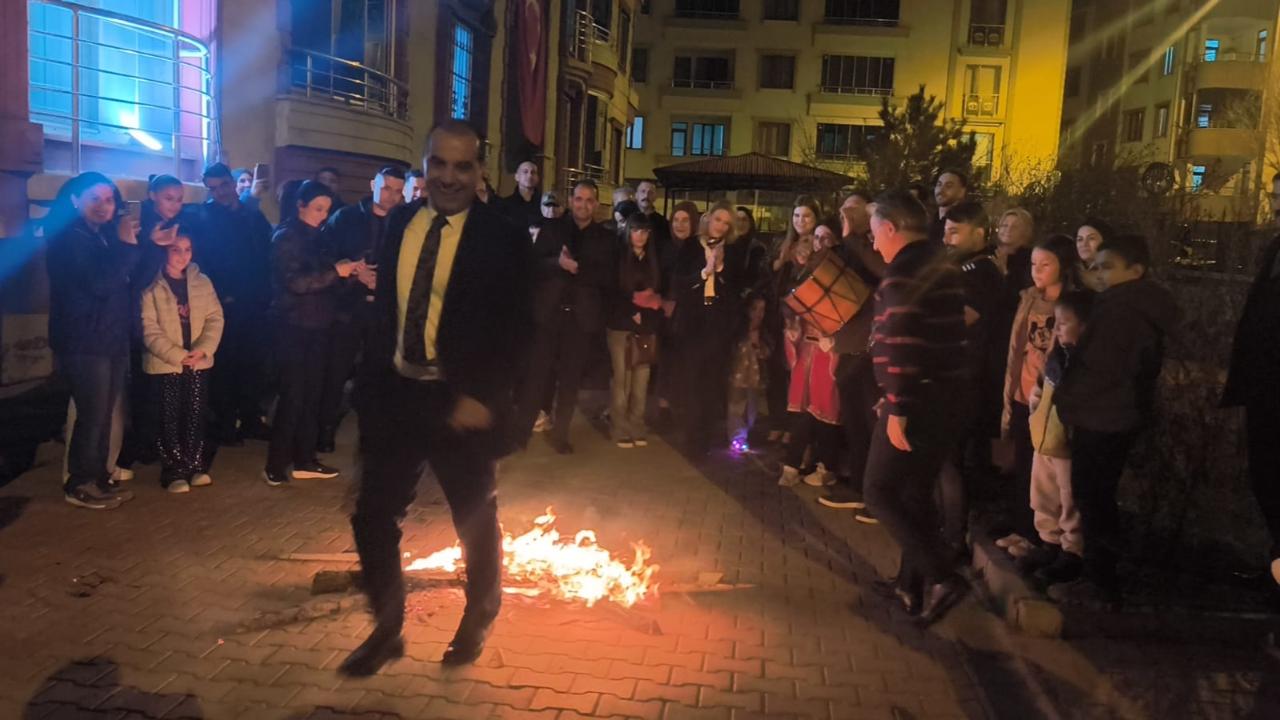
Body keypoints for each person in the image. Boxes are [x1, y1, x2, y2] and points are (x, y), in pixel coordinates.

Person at [341, 120, 531, 676]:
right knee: (373, 514)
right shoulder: (400, 221)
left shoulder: (502, 237)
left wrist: (487, 397)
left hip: (460, 402)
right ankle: (387, 626)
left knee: (473, 517)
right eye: (438, 164)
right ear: (423, 166)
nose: (449, 177)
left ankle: (480, 611)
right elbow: (388, 309)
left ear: (479, 170)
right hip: (396, 396)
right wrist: (369, 383)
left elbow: (519, 330)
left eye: (462, 166)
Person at [1052, 234, 1179, 607]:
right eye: (1096, 267)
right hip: (1108, 412)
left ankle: (1100, 583)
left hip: (1106, 415)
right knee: (1095, 496)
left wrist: (1070, 393)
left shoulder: (1124, 310)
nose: (1100, 274)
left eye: (1109, 267)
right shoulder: (1125, 305)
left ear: (1136, 270)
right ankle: (1098, 577)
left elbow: (1105, 367)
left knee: (1094, 497)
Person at [862, 190, 969, 625]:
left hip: (916, 398)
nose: (873, 244)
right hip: (943, 395)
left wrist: (897, 404)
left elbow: (903, 342)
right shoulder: (940, 267)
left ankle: (942, 577)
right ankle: (911, 585)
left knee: (879, 490)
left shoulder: (903, 274)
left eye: (874, 234)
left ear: (890, 228)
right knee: (913, 491)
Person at [47, 172, 168, 509]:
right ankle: (80, 484)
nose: (104, 206)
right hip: (83, 340)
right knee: (93, 414)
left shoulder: (101, 237)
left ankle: (99, 477)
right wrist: (127, 246)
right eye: (94, 198)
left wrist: (152, 248)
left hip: (109, 337)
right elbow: (100, 284)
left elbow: (131, 283)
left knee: (103, 414)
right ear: (74, 201)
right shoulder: (68, 238)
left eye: (109, 199)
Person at [264, 180, 363, 486]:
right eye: (318, 208)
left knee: (313, 395)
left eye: (327, 210)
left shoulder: (321, 238)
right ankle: (276, 464)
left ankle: (305, 459)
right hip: (292, 326)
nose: (323, 215)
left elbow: (328, 280)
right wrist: (336, 272)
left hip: (320, 325)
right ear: (301, 205)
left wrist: (349, 273)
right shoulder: (285, 237)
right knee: (293, 395)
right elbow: (296, 282)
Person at [517, 179, 617, 454]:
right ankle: (521, 433)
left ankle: (560, 435)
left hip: (581, 318)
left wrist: (577, 268)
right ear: (571, 201)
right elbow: (534, 264)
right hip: (549, 314)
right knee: (536, 376)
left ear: (595, 204)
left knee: (570, 380)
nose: (583, 204)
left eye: (589, 200)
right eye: (578, 199)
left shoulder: (606, 238)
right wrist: (556, 264)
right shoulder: (553, 228)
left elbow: (607, 276)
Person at [316, 166, 403, 452]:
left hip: (382, 312)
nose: (390, 196)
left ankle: (374, 434)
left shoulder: (403, 222)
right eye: (386, 188)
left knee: (378, 374)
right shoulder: (346, 218)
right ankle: (325, 429)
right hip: (347, 309)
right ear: (372, 184)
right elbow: (326, 254)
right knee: (336, 371)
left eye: (397, 191)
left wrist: (386, 282)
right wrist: (355, 273)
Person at [1000, 234, 1079, 546]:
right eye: (1034, 264)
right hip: (1021, 390)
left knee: (1046, 474)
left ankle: (1043, 538)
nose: (1037, 270)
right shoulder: (1029, 297)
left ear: (1063, 266)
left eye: (1046, 264)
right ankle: (1023, 529)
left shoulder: (1071, 305)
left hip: (1048, 397)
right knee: (1022, 464)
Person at [1222, 174, 1280, 588]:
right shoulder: (1275, 247)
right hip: (1264, 385)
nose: (1276, 205)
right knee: (1266, 477)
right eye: (1275, 196)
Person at [939, 200, 1003, 552]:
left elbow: (961, 318)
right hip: (953, 375)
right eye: (945, 230)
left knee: (948, 458)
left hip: (965, 379)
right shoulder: (961, 267)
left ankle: (953, 537)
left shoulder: (982, 273)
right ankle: (946, 529)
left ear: (979, 233)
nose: (947, 238)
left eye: (954, 231)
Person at [819, 191, 886, 524]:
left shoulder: (876, 249)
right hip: (848, 347)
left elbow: (881, 277)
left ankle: (875, 497)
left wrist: (853, 239)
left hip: (871, 349)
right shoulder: (848, 249)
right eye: (843, 210)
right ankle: (858, 486)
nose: (847, 215)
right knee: (855, 424)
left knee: (871, 424)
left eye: (854, 210)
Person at [1018, 290, 1093, 585]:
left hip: (1068, 444)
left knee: (1069, 498)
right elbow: (1040, 389)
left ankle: (1072, 551)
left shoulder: (1086, 362)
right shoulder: (1057, 358)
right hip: (1045, 438)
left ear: (1084, 326)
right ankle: (1049, 542)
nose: (1057, 329)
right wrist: (1035, 415)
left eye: (1064, 323)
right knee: (1043, 494)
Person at [197, 163, 274, 446]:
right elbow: (205, 260)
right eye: (212, 189)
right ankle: (226, 424)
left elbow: (266, 249)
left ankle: (251, 419)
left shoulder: (251, 214)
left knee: (253, 364)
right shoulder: (205, 217)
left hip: (256, 300)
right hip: (225, 303)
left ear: (232, 184)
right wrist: (223, 294)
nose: (218, 193)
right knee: (226, 367)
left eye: (222, 186)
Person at [140, 234, 223, 493]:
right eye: (176, 249)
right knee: (169, 415)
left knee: (196, 412)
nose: (182, 255)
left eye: (188, 249)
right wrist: (176, 354)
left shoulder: (202, 282)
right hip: (167, 364)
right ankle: (174, 468)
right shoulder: (152, 284)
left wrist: (204, 349)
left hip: (197, 362)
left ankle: (195, 464)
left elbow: (215, 317)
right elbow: (148, 328)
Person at [671, 201, 739, 454]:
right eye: (717, 219)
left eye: (726, 223)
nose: (720, 226)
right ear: (708, 219)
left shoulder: (732, 251)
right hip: (693, 322)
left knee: (711, 383)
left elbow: (734, 292)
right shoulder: (690, 246)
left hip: (717, 323)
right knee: (692, 382)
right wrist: (703, 272)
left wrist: (720, 269)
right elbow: (678, 284)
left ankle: (705, 439)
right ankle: (691, 438)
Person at [766, 197, 822, 442]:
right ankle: (777, 420)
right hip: (779, 315)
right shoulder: (782, 243)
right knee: (776, 371)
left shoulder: (820, 246)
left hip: (805, 320)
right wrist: (779, 261)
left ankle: (793, 426)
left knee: (797, 374)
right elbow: (769, 275)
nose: (801, 221)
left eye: (807, 216)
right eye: (797, 216)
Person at [606, 212, 663, 448]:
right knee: (622, 379)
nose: (640, 235)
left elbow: (657, 290)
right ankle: (619, 427)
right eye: (636, 230)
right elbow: (612, 290)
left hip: (646, 326)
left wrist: (650, 308)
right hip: (621, 325)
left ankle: (637, 423)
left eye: (644, 231)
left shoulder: (651, 259)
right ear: (628, 231)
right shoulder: (618, 257)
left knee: (642, 377)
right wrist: (632, 309)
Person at [778, 286, 842, 489]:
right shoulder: (806, 312)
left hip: (825, 372)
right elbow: (795, 341)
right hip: (807, 368)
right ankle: (798, 466)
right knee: (805, 421)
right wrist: (792, 334)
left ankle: (821, 469)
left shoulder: (835, 310)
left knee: (824, 423)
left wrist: (832, 347)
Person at [654, 202, 700, 427]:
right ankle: (664, 408)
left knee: (686, 363)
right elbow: (656, 278)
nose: (680, 225)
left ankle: (683, 407)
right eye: (676, 220)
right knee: (666, 361)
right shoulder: (665, 248)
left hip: (690, 314)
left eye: (685, 220)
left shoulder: (699, 248)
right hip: (666, 314)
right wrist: (663, 301)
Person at [728, 294, 770, 453]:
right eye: (755, 309)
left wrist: (757, 343)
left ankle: (746, 435)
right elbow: (732, 350)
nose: (758, 314)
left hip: (755, 377)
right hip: (738, 375)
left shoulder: (763, 332)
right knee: (736, 406)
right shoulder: (738, 330)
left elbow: (767, 353)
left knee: (751, 409)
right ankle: (736, 438)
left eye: (762, 310)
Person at [497, 160, 542, 228]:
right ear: (517, 177)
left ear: (537, 178)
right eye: (525, 172)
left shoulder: (544, 204)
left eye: (533, 172)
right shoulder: (505, 205)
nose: (529, 175)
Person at [930, 169, 969, 244]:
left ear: (962, 192)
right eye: (939, 184)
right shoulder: (930, 219)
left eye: (948, 186)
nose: (941, 190)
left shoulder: (963, 223)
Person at [1075, 218, 1111, 292]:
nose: (1084, 244)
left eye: (1091, 238)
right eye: (1080, 239)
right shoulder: (1073, 274)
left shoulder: (1113, 273)